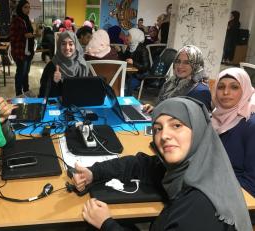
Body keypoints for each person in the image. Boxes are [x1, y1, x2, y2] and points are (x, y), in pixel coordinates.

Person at [73, 97, 252, 231]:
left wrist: (106, 224)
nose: (164, 135)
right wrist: (94, 172)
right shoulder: (197, 166)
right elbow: (141, 164)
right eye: (158, 128)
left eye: (176, 125)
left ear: (197, 130)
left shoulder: (199, 205)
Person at [212, 67, 255, 197]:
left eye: (234, 87)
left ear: (245, 90)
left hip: (235, 197)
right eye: (220, 87)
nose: (226, 92)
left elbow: (251, 183)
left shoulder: (251, 125)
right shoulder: (214, 117)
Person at [143, 45, 211, 113]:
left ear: (196, 65)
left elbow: (196, 121)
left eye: (187, 62)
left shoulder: (201, 91)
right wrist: (154, 109)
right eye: (178, 61)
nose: (180, 66)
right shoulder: (172, 82)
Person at [38, 31, 88, 97]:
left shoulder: (81, 64)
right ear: (59, 45)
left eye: (71, 44)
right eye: (63, 44)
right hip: (57, 105)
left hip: (78, 104)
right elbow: (43, 93)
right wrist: (54, 82)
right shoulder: (52, 65)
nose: (67, 48)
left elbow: (86, 89)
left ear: (75, 45)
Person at [10, 0, 35, 96]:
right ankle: (19, 93)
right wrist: (24, 35)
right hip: (20, 51)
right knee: (21, 72)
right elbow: (12, 36)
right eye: (25, 7)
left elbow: (29, 34)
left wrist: (33, 35)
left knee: (26, 72)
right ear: (20, 8)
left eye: (29, 7)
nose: (28, 9)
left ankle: (26, 90)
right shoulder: (16, 19)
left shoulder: (26, 19)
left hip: (28, 50)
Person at [118, 28, 150, 95]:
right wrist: (119, 51)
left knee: (128, 85)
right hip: (131, 73)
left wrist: (133, 63)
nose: (127, 37)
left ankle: (126, 102)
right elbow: (124, 59)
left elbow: (146, 67)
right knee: (120, 81)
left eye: (129, 35)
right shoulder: (130, 47)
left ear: (135, 37)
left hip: (139, 74)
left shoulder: (143, 50)